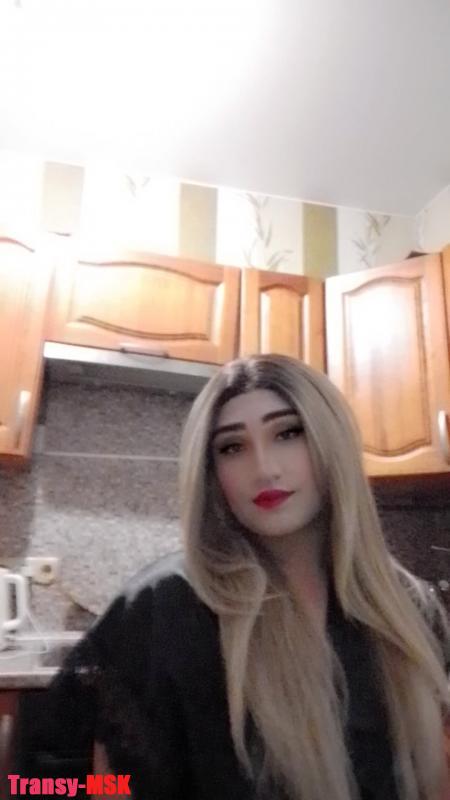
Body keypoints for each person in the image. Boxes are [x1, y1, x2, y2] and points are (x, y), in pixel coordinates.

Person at [36, 354, 450, 800]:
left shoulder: (407, 607)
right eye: (232, 447)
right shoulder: (165, 607)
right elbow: (101, 784)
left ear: (332, 442)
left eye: (289, 433)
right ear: (211, 473)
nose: (265, 468)